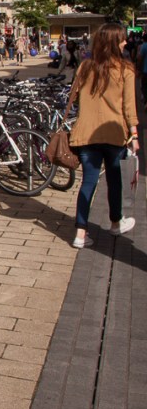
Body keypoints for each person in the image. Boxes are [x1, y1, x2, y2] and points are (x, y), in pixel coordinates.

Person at [68, 23, 138, 248]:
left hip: (87, 132)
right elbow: (129, 105)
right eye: (122, 39)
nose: (125, 42)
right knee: (114, 180)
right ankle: (116, 223)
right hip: (114, 131)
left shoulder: (85, 67)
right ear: (113, 43)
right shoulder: (125, 69)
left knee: (88, 182)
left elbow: (74, 96)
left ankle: (80, 234)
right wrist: (134, 133)